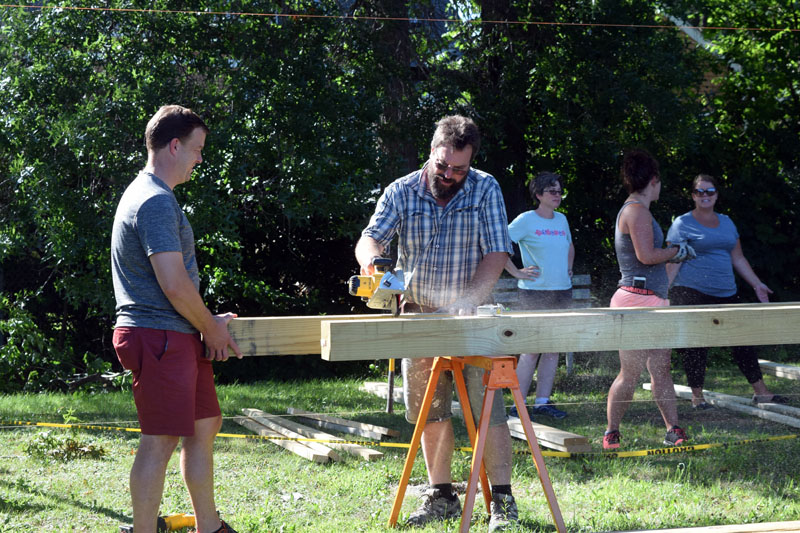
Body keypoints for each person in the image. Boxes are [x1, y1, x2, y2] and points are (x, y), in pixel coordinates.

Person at [355, 116, 517, 531]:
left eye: (458, 169)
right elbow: (370, 237)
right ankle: (441, 493)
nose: (448, 175)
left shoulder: (485, 188)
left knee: (489, 410)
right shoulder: (401, 190)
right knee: (430, 410)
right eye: (442, 165)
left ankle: (501, 499)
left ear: (471, 161)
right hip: (420, 315)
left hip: (473, 316)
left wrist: (470, 298)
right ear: (432, 151)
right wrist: (372, 261)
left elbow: (497, 251)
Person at [111, 105, 241, 533]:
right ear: (173, 145)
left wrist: (206, 322)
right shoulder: (153, 200)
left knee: (204, 425)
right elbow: (173, 282)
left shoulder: (154, 196)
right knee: (161, 438)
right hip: (158, 334)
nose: (200, 158)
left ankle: (210, 526)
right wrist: (211, 326)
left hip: (176, 331)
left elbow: (177, 286)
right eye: (197, 149)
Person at [666, 174, 787, 407]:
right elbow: (673, 260)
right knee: (697, 345)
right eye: (700, 192)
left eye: (709, 191)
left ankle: (761, 393)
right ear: (693, 195)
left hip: (725, 291)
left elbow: (738, 257)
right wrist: (663, 293)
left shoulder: (727, 222)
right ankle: (697, 398)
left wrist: (757, 284)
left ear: (717, 195)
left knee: (742, 340)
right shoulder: (682, 223)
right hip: (691, 290)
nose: (705, 196)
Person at [603, 149, 695, 450]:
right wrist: (676, 250)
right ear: (653, 180)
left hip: (649, 299)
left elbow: (650, 258)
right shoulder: (637, 211)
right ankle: (612, 432)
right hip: (636, 301)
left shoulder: (636, 209)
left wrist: (672, 253)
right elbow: (646, 256)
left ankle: (673, 429)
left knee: (660, 370)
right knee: (630, 373)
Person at [504, 172, 574, 420]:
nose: (557, 195)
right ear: (538, 195)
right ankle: (517, 405)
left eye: (559, 190)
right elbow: (499, 244)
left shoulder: (562, 219)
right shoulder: (525, 220)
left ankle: (543, 402)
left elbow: (569, 245)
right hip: (534, 294)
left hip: (562, 292)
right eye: (552, 191)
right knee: (532, 350)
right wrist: (516, 272)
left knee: (553, 350)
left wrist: (568, 268)